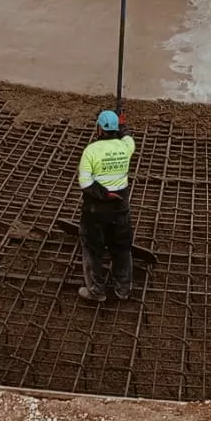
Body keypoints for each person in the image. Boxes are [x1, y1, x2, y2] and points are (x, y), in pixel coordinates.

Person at [76, 109, 137, 302]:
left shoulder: (91, 151)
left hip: (96, 211)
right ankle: (123, 289)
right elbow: (128, 137)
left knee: (93, 250)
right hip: (120, 210)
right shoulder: (126, 147)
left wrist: (105, 194)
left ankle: (96, 291)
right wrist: (123, 124)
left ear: (100, 129)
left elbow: (85, 184)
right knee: (121, 249)